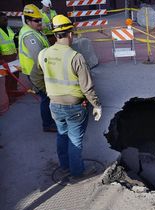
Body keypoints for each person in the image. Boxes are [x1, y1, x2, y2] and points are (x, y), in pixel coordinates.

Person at [38, 15, 102, 178]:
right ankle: (77, 172)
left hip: (54, 105)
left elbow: (36, 75)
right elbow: (87, 87)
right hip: (74, 107)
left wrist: (48, 92)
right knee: (75, 140)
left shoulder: (43, 53)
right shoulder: (75, 57)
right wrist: (96, 105)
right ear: (70, 34)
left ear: (55, 34)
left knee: (62, 135)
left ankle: (65, 166)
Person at [19, 4, 56, 132]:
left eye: (40, 19)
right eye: (36, 20)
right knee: (46, 97)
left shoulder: (35, 30)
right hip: (35, 72)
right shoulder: (29, 36)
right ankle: (47, 124)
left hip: (38, 71)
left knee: (47, 97)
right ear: (28, 21)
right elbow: (39, 57)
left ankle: (50, 120)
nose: (40, 22)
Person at [0, 12, 19, 96]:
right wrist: (1, 60)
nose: (6, 21)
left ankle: (14, 91)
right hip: (4, 58)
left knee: (16, 74)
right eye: (4, 20)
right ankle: (9, 94)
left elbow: (13, 40)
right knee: (7, 76)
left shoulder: (8, 28)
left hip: (13, 56)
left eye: (7, 20)